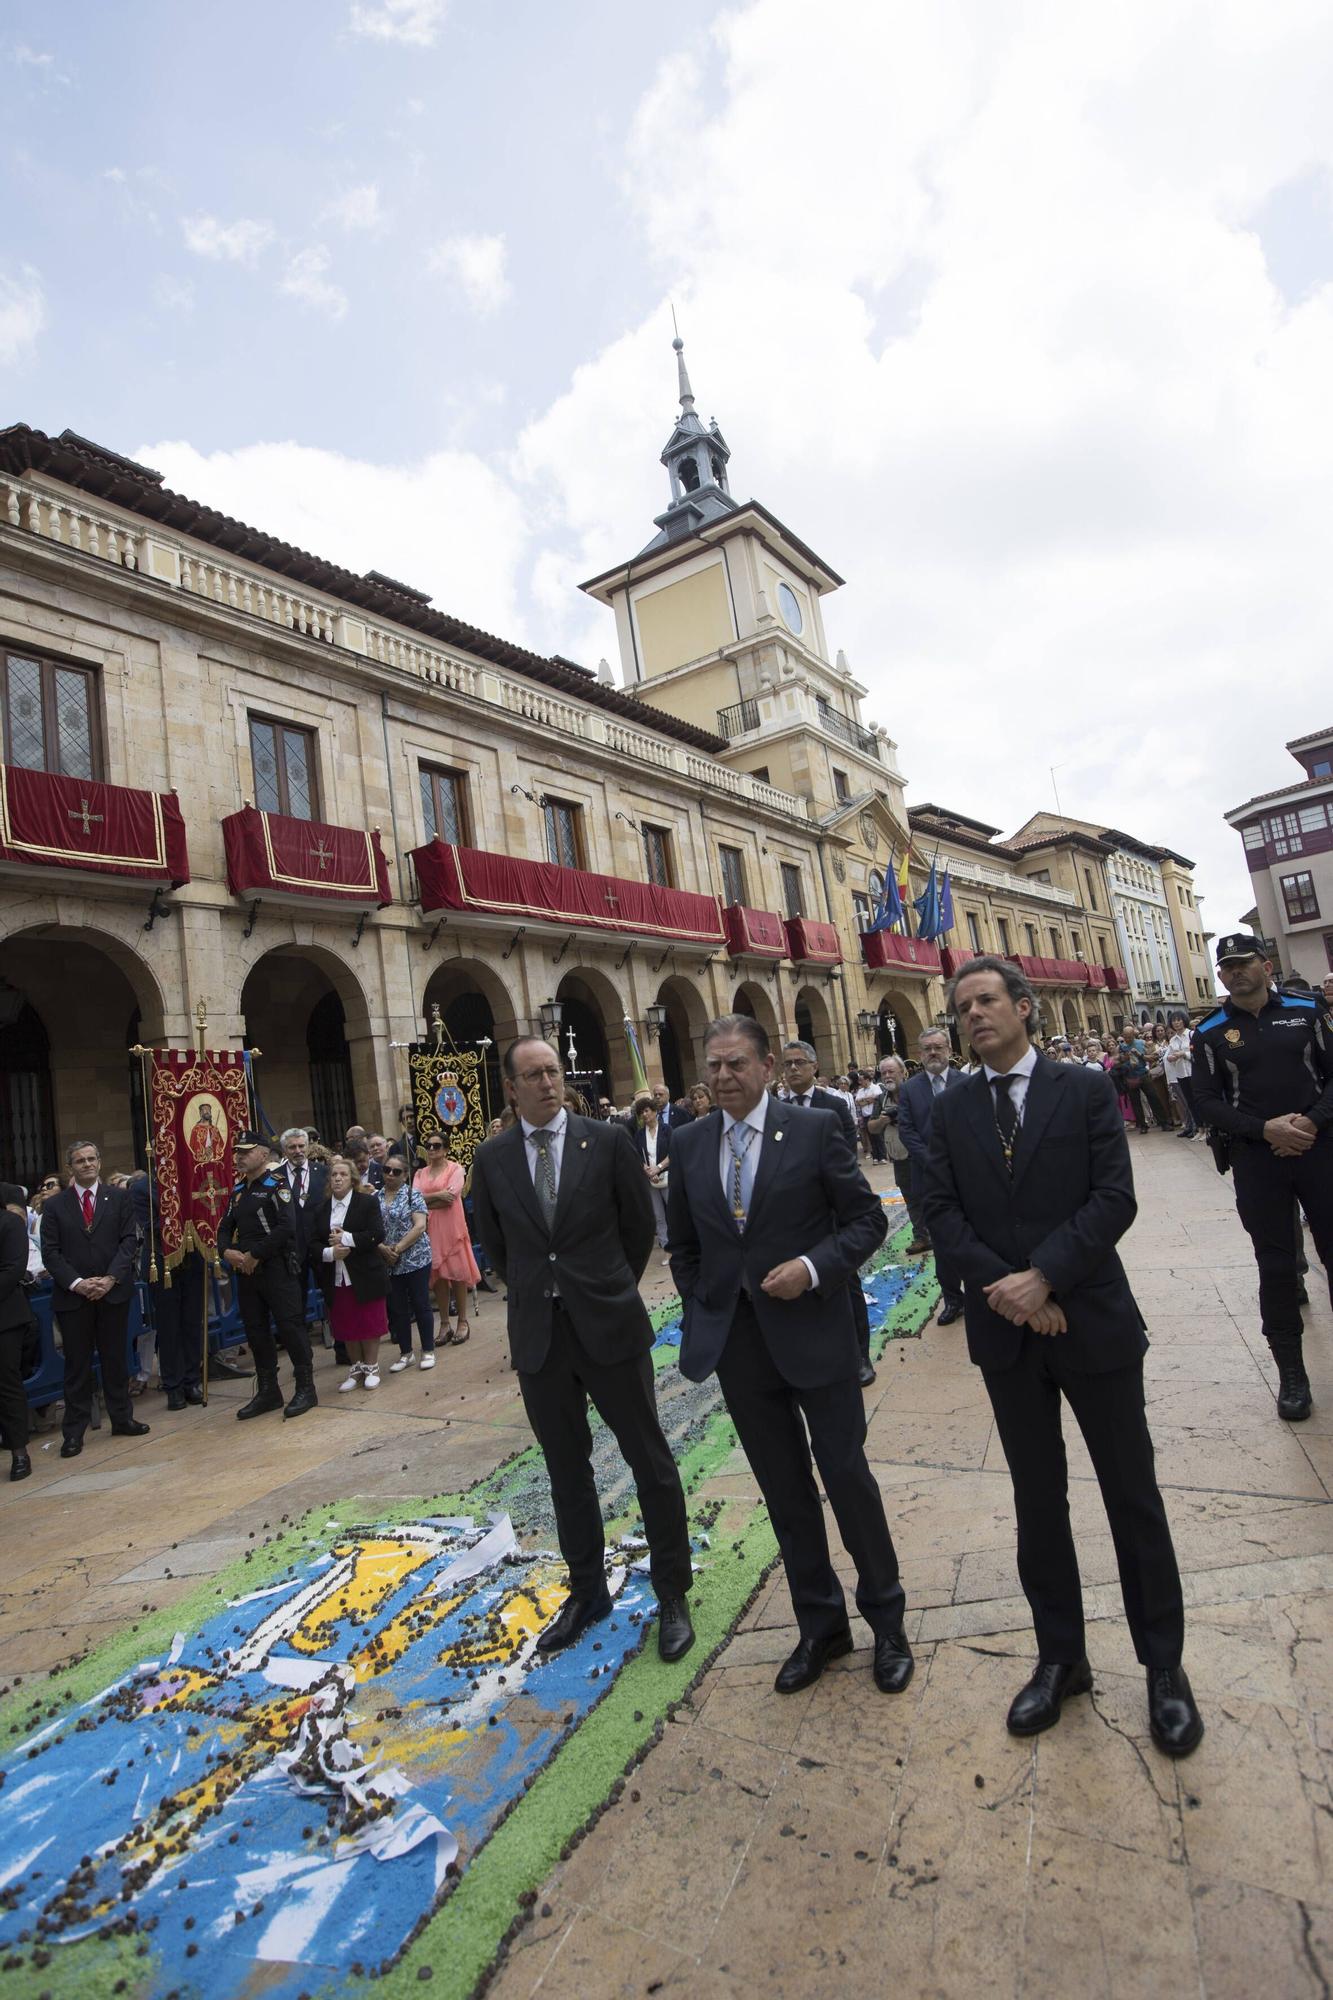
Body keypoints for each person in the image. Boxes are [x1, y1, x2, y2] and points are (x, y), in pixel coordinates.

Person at [922, 956, 1202, 1757]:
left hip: (1092, 1322)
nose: (971, 1014)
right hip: (1008, 1336)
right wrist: (1008, 1292)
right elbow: (939, 1211)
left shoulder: (1080, 1090)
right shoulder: (949, 1112)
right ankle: (1060, 1657)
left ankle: (1162, 1669)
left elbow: (1112, 1196)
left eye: (985, 1000)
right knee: (1037, 1501)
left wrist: (1043, 1276)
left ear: (1022, 1007)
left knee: (1130, 1493)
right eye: (960, 1005)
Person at [666, 1015, 910, 1697]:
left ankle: (886, 1622)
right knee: (784, 1491)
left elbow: (864, 1220)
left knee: (845, 1477)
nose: (722, 1077)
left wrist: (811, 1267)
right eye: (712, 1065)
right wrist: (706, 1298)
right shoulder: (687, 1143)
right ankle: (820, 1625)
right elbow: (683, 1246)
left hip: (814, 1335)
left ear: (767, 1065)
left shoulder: (811, 1130)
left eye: (735, 1064)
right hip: (740, 1347)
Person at [470, 1037, 694, 1664]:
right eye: (532, 1075)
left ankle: (673, 1591)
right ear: (510, 1087)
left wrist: (602, 1284)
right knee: (567, 1471)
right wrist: (543, 1290)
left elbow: (637, 1228)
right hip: (541, 1336)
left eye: (553, 1072)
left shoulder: (608, 1141)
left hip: (609, 1326)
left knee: (649, 1460)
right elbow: (498, 1244)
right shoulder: (492, 1158)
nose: (546, 1083)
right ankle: (587, 1592)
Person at [1192, 935, 1333, 1423]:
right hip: (1257, 1158)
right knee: (1275, 1266)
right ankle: (1292, 1374)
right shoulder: (1209, 1031)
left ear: (1265, 965)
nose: (1233, 973)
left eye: (1242, 963)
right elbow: (1206, 1101)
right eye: (1225, 966)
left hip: (1320, 1149)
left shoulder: (1309, 1011)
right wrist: (1264, 1129)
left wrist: (1312, 1121)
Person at [39, 1140, 148, 1459]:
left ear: (100, 1162)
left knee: (115, 1358)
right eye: (80, 1160)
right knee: (77, 1365)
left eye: (91, 1159)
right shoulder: (56, 1206)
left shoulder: (119, 1197)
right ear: (70, 1166)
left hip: (112, 1291)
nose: (87, 1164)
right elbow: (51, 1252)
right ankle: (73, 1432)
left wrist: (110, 1278)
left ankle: (122, 1418)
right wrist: (77, 1283)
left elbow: (129, 1240)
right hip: (74, 1297)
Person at [778, 1038, 876, 1386]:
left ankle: (860, 1355)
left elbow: (847, 1153)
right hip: (795, 1214)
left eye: (799, 1063)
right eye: (787, 1064)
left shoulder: (832, 1105)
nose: (792, 1069)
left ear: (814, 1067)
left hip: (833, 1207)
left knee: (845, 1281)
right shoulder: (776, 1108)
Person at [217, 1132, 317, 1421]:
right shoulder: (238, 1191)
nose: (239, 1157)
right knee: (256, 1330)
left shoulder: (277, 1186)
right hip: (247, 1271)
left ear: (263, 1154)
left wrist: (255, 1254)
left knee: (290, 1326)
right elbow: (225, 1227)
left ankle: (306, 1388)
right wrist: (227, 1252)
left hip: (276, 1268)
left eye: (246, 1152)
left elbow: (287, 1226)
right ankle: (268, 1390)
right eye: (237, 1152)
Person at [897, 1029, 966, 1326]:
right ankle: (953, 1299)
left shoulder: (967, 1083)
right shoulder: (910, 1089)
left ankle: (981, 1293)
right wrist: (933, 1162)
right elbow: (907, 1130)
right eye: (927, 1048)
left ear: (949, 1048)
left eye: (938, 1047)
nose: (933, 1053)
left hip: (968, 1175)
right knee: (941, 1241)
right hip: (929, 1178)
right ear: (920, 1052)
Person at [311, 1156, 389, 1390]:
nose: (337, 1179)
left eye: (343, 1174)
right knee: (346, 1321)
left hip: (364, 1272)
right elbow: (313, 1244)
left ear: (352, 1179)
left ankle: (372, 1366)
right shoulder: (321, 1209)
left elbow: (377, 1234)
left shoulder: (366, 1203)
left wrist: (346, 1238)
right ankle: (355, 1367)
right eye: (334, 1175)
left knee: (368, 1320)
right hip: (336, 1274)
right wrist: (330, 1253)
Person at [131, 1171, 205, 1410]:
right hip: (162, 1262)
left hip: (192, 1259)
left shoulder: (191, 1179)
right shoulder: (143, 1187)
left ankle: (192, 1380)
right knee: (169, 1326)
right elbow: (152, 1224)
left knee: (192, 1322)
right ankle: (173, 1385)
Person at [414, 1129, 479, 1344]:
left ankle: (462, 1320)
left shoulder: (456, 1169)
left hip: (452, 1228)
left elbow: (451, 1197)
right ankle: (444, 1322)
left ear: (446, 1149)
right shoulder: (419, 1174)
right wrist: (435, 1197)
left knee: (458, 1275)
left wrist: (428, 1199)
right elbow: (414, 1200)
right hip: (430, 1228)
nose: (432, 1149)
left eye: (437, 1146)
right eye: (429, 1145)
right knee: (438, 1276)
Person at [377, 1157, 435, 1370]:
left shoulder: (413, 1194)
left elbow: (419, 1226)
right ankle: (406, 1353)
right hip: (389, 1261)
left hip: (415, 1258)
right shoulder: (376, 1196)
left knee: (421, 1303)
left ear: (405, 1175)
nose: (390, 1174)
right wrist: (384, 1249)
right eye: (387, 1170)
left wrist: (398, 1248)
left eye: (396, 1171)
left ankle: (427, 1350)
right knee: (397, 1308)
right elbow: (372, 1229)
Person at [0, 1184, 35, 1481]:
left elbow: (12, 1270)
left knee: (7, 1385)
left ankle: (19, 1453)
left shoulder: (9, 1222)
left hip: (5, 1319)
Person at [632, 1096, 672, 1252]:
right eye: (641, 1112)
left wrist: (659, 1168)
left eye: (647, 1110)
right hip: (651, 1180)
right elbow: (637, 1156)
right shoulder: (639, 1134)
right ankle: (666, 1247)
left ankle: (680, 1242)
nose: (644, 1115)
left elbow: (673, 1152)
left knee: (674, 1211)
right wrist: (647, 1171)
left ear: (654, 1111)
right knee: (658, 1215)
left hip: (667, 1177)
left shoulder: (666, 1129)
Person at [1163, 1012, 1198, 1138]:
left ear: (1184, 1020)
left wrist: (1184, 1054)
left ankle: (1200, 1127)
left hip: (1192, 1071)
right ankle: (1191, 1126)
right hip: (1180, 1073)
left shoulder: (1191, 1034)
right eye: (1174, 1020)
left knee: (1196, 1101)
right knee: (1187, 1102)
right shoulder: (1173, 1039)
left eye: (1179, 1020)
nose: (1176, 1023)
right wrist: (1171, 1057)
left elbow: (1198, 1053)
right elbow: (1170, 1055)